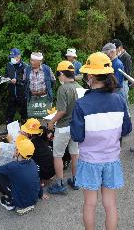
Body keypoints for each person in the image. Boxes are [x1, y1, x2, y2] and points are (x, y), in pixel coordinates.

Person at [70, 52, 132, 230]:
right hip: (112, 159)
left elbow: (77, 136)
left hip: (90, 160)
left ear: (90, 77)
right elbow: (126, 129)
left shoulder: (82, 104)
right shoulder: (119, 100)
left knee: (90, 203)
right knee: (110, 203)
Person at [47, 61, 82, 194]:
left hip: (63, 127)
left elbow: (61, 111)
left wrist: (51, 122)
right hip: (76, 126)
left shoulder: (63, 89)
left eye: (58, 74)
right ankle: (75, 180)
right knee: (75, 154)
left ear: (62, 73)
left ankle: (60, 184)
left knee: (57, 155)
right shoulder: (79, 86)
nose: (58, 77)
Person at [0, 134, 47, 215]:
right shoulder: (33, 163)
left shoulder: (13, 166)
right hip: (34, 199)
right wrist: (41, 194)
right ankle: (29, 203)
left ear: (18, 152)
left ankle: (10, 202)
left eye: (16, 149)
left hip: (20, 202)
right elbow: (37, 180)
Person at [20, 118, 55, 183]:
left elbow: (23, 156)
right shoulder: (41, 138)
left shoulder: (30, 144)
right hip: (52, 170)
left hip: (43, 173)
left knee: (22, 161)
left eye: (26, 131)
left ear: (30, 134)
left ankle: (40, 180)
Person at [24, 52, 56, 118]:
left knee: (46, 117)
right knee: (32, 119)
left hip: (45, 97)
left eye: (33, 60)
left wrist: (47, 89)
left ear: (39, 61)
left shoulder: (47, 69)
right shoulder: (26, 70)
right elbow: (25, 82)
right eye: (30, 60)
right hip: (32, 98)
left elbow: (53, 81)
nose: (31, 62)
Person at [5, 48, 28, 124]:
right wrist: (6, 79)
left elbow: (26, 80)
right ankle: (9, 130)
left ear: (19, 56)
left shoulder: (25, 66)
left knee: (24, 115)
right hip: (11, 94)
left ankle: (25, 131)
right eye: (11, 57)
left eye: (14, 57)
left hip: (22, 94)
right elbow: (6, 75)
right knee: (9, 114)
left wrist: (17, 80)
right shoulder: (9, 65)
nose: (12, 59)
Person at [111, 39, 132, 115]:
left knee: (124, 102)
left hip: (123, 82)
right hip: (116, 82)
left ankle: (127, 116)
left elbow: (128, 72)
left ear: (119, 48)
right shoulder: (116, 57)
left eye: (115, 49)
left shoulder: (126, 57)